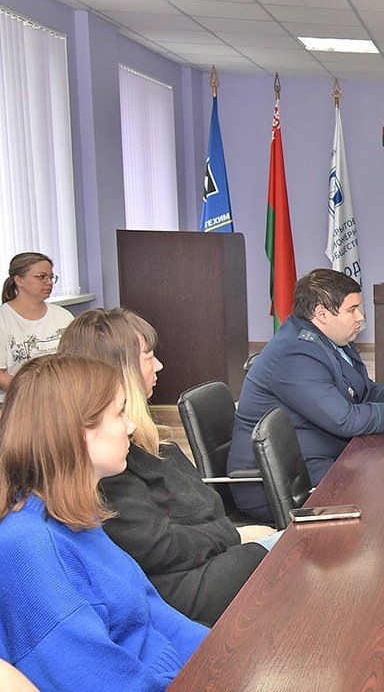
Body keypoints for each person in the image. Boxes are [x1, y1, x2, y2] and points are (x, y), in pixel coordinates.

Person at [0, 355, 208, 690]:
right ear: (78, 432)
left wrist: (227, 653)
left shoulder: (74, 516)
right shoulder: (29, 547)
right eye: (120, 413)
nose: (131, 426)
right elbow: (99, 681)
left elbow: (154, 614)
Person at [58, 308, 273, 626]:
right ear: (122, 369)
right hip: (189, 590)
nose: (158, 365)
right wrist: (232, 535)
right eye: (148, 356)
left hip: (209, 562)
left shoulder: (143, 444)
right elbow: (161, 546)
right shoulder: (108, 466)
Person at [229, 269, 384, 522]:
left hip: (323, 459)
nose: (360, 317)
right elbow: (344, 419)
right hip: (283, 482)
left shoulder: (332, 340)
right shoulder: (295, 352)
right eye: (352, 310)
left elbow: (365, 389)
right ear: (321, 314)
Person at [0, 252, 74, 400]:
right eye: (41, 277)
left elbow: (76, 360)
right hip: (20, 400)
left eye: (51, 277)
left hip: (61, 397)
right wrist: (35, 390)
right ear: (19, 280)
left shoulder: (64, 316)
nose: (49, 282)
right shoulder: (4, 320)